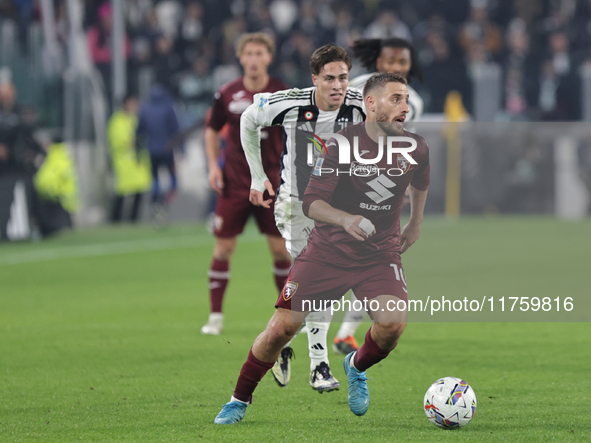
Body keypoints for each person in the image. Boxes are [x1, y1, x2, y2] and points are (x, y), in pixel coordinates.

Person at [215, 72, 430, 424]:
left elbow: (420, 179)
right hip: (327, 254)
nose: (404, 108)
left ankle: (355, 366)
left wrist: (416, 222)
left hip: (379, 255)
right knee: (281, 330)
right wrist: (346, 220)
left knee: (392, 325)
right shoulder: (341, 145)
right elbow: (312, 203)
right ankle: (239, 399)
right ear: (370, 104)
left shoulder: (415, 146)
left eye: (405, 100)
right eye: (395, 99)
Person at [241, 44, 365, 392]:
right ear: (315, 79)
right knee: (319, 281)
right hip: (296, 206)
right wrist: (256, 175)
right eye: (329, 79)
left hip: (338, 210)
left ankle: (279, 342)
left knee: (329, 282)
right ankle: (319, 366)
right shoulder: (291, 102)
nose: (338, 85)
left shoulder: (358, 104)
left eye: (343, 77)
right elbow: (248, 118)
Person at [330, 37, 426, 355]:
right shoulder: (354, 89)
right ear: (378, 62)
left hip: (378, 187)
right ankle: (307, 328)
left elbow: (402, 146)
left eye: (403, 62)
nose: (397, 67)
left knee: (375, 260)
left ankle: (345, 332)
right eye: (391, 62)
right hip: (341, 183)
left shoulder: (414, 103)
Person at [200, 33, 292, 336]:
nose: (253, 59)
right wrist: (214, 165)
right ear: (241, 58)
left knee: (281, 251)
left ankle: (290, 314)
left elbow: (299, 133)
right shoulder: (227, 93)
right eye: (248, 53)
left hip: (273, 184)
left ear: (269, 57)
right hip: (235, 183)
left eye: (259, 53)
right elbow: (211, 130)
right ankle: (215, 317)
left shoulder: (282, 92)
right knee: (223, 248)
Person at [136, 83, 180, 223]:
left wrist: (138, 148)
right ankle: (166, 203)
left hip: (152, 150)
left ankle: (156, 201)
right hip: (167, 150)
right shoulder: (168, 107)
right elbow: (175, 129)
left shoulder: (145, 108)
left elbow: (139, 131)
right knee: (172, 178)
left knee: (155, 178)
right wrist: (181, 149)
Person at [107, 94, 151, 223]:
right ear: (124, 105)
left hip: (138, 162)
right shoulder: (117, 121)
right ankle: (115, 220)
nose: (134, 107)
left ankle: (133, 220)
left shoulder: (137, 119)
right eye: (132, 104)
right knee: (121, 193)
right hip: (124, 162)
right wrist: (132, 140)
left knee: (139, 192)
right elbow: (117, 140)